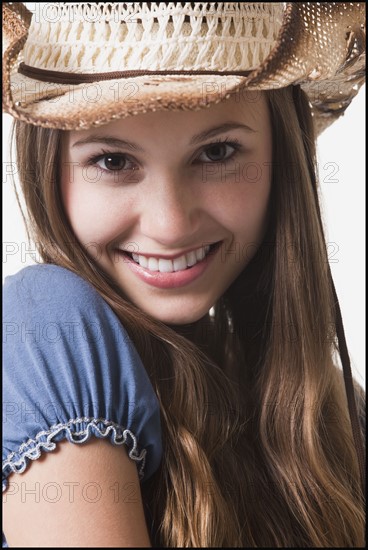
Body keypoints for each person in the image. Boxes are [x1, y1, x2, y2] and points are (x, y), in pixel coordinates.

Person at [2, 2, 365, 547]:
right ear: (47, 170)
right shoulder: (46, 329)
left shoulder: (339, 412)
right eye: (113, 161)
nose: (170, 225)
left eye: (216, 152)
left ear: (283, 161)